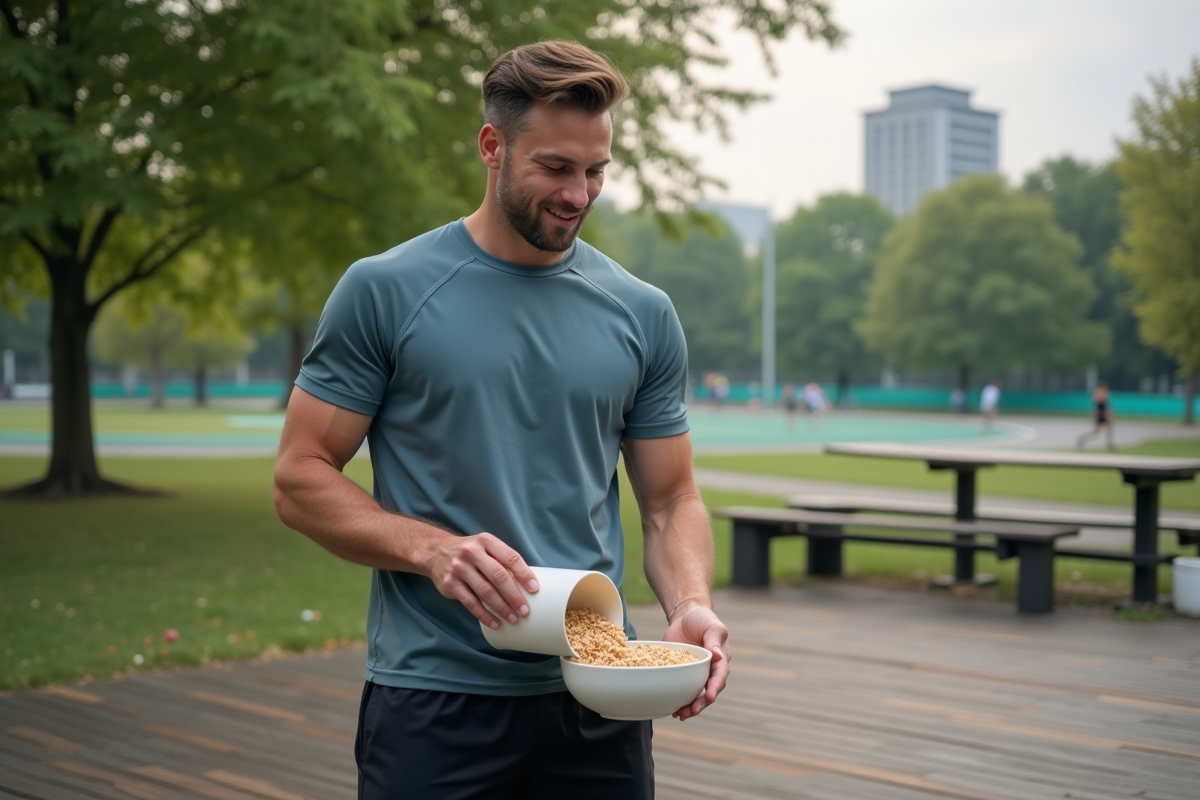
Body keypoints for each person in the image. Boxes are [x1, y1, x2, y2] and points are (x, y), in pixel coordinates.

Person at [272, 41, 729, 800]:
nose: (578, 194)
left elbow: (669, 500)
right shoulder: (384, 290)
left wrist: (691, 605)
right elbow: (299, 478)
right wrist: (432, 550)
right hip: (434, 698)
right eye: (555, 168)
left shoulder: (643, 312)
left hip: (600, 693)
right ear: (492, 146)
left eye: (596, 171)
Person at [1077, 380, 1116, 450]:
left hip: (1103, 413)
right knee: (1097, 431)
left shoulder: (1101, 392)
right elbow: (1100, 404)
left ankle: (1109, 444)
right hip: (1102, 414)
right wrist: (1102, 413)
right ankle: (1083, 438)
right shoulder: (1100, 392)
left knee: (1107, 429)